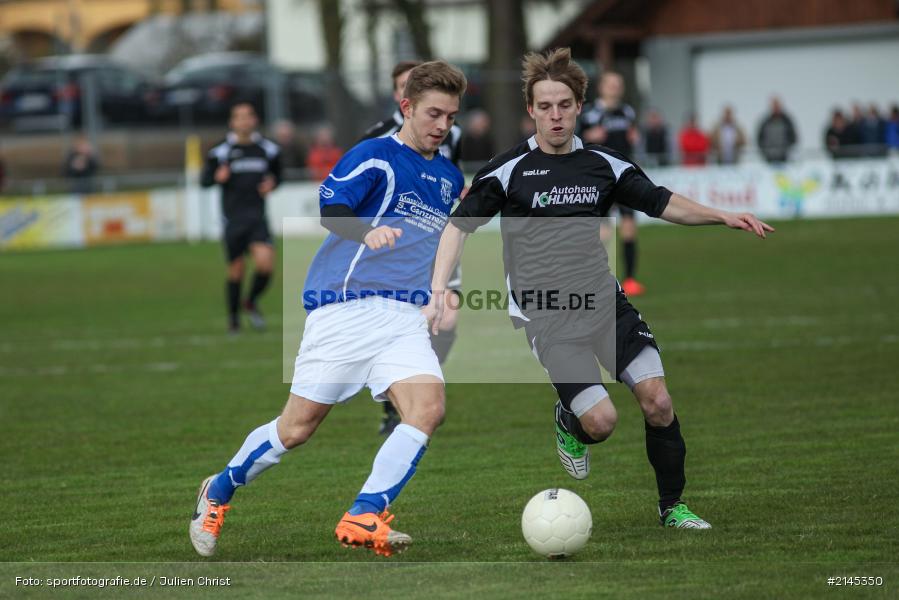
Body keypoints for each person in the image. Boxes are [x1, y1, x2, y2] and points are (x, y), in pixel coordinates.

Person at [426, 48, 773, 530]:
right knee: (602, 422)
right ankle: (570, 421)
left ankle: (672, 507)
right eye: (545, 106)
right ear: (531, 109)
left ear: (578, 107)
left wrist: (722, 216)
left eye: (564, 105)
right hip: (545, 314)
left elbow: (661, 202)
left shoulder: (603, 165)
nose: (555, 115)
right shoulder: (508, 171)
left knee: (658, 401)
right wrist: (439, 288)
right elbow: (457, 227)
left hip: (604, 303)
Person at [190, 60, 467, 558]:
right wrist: (368, 230)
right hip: (346, 308)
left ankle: (365, 513)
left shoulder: (448, 175)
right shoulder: (377, 156)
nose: (443, 126)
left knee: (428, 410)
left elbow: (444, 240)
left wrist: (446, 288)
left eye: (450, 116)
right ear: (406, 107)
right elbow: (331, 209)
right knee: (296, 429)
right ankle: (219, 490)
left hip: (404, 318)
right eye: (433, 113)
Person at [360, 60, 465, 435]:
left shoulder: (450, 130)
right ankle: (396, 397)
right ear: (402, 98)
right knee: (408, 318)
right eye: (404, 85)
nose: (441, 123)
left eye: (447, 115)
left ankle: (419, 382)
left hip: (437, 237)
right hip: (395, 250)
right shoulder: (378, 137)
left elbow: (451, 175)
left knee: (447, 314)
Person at [201, 102, 282, 333]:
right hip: (233, 219)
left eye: (248, 116)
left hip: (257, 218)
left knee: (265, 264)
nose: (244, 121)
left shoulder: (268, 149)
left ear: (255, 120)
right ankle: (234, 320)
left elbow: (278, 175)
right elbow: (204, 181)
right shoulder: (220, 151)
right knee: (236, 270)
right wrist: (218, 177)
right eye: (239, 117)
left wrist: (272, 184)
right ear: (232, 122)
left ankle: (251, 300)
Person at [579, 71, 644, 296]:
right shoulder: (590, 113)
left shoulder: (627, 112)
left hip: (624, 177)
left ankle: (630, 279)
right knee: (602, 232)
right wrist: (590, 136)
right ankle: (595, 278)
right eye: (611, 84)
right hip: (599, 179)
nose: (615, 88)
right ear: (602, 88)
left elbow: (633, 137)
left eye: (618, 84)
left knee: (629, 227)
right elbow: (578, 140)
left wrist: (634, 138)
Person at [756, 97, 796, 164]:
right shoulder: (765, 122)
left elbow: (793, 137)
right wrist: (765, 153)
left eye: (777, 106)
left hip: (784, 159)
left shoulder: (787, 121)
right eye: (774, 106)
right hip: (768, 159)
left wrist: (786, 151)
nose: (776, 108)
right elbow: (760, 139)